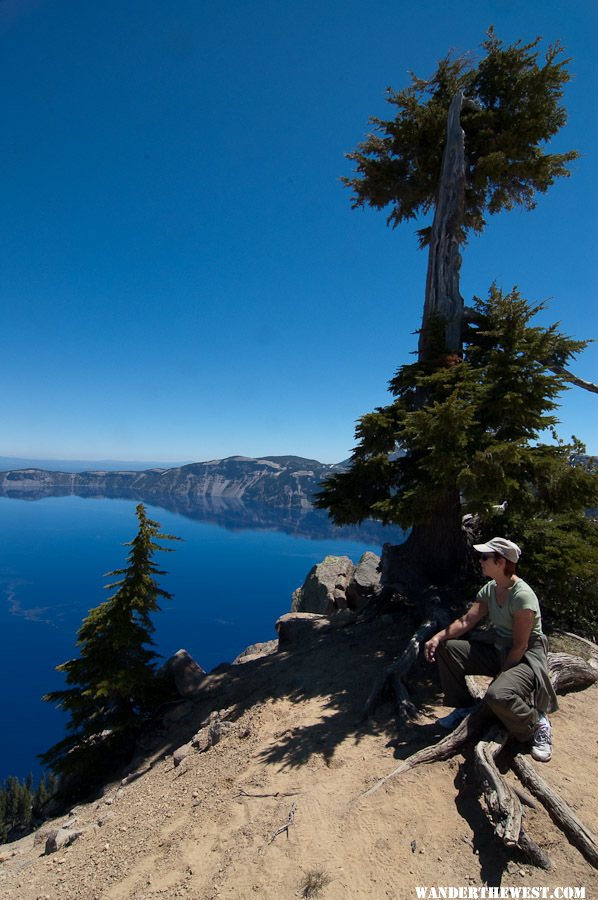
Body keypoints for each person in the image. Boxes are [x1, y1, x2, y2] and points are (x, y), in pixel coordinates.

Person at [424, 537, 557, 762]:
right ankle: (464, 706)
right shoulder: (491, 589)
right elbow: (467, 621)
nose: (480, 561)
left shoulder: (522, 596)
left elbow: (520, 645)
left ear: (501, 561)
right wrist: (437, 637)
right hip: (498, 649)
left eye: (485, 557)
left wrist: (500, 676)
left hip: (525, 658)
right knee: (448, 649)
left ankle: (536, 725)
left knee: (497, 694)